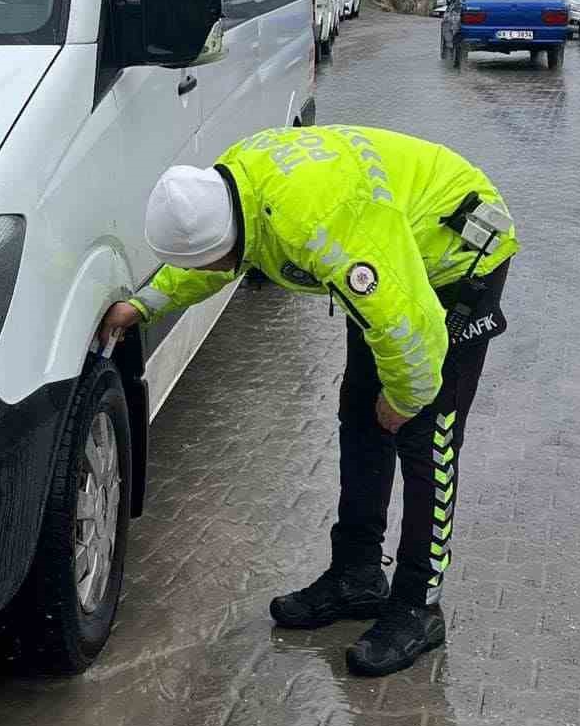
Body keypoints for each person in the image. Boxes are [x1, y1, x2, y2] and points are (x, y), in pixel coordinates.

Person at [100, 125, 517, 677]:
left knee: (425, 439)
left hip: (456, 257)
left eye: (209, 263)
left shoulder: (322, 229)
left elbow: (408, 328)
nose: (209, 273)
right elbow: (216, 255)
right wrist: (147, 302)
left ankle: (419, 605)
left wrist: (408, 398)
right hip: (389, 255)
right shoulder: (231, 188)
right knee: (361, 418)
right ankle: (356, 574)